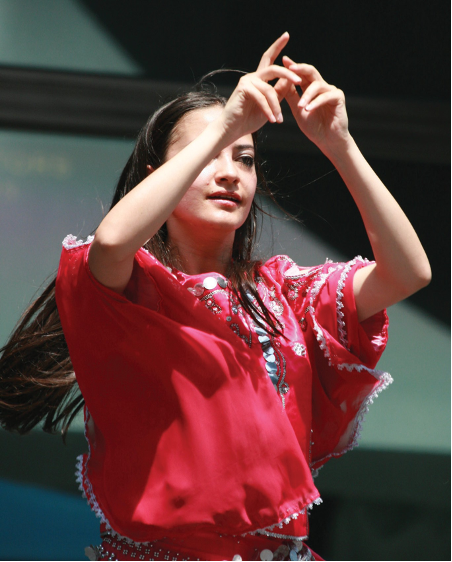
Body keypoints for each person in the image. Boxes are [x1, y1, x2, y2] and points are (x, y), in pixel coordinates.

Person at [0, 33, 431, 561]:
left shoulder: (283, 293)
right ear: (159, 177)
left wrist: (339, 142)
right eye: (209, 155)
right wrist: (227, 123)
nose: (231, 171)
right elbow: (112, 240)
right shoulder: (126, 288)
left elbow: (409, 273)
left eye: (245, 158)